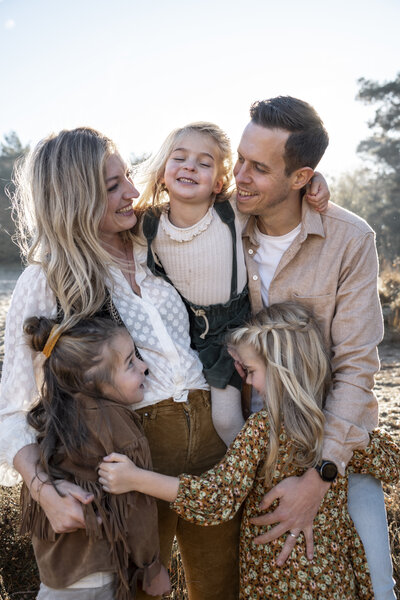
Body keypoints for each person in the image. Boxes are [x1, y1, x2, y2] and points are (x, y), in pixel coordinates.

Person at [0, 127, 238, 600]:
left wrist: (311, 191)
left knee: (222, 586)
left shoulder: (157, 240)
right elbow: (13, 409)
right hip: (133, 460)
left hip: (213, 443)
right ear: (74, 198)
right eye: (112, 186)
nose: (132, 191)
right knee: (144, 588)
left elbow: (231, 206)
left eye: (128, 175)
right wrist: (45, 491)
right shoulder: (48, 278)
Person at [98, 303, 400, 599]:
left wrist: (135, 478)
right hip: (333, 584)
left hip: (272, 582)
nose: (248, 379)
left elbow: (216, 497)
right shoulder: (337, 434)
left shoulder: (262, 430)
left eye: (252, 370)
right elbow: (390, 461)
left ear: (282, 371)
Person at [233, 96, 396, 598]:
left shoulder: (349, 238)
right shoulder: (216, 225)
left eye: (259, 168)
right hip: (240, 442)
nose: (239, 175)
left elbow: (355, 366)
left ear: (302, 177)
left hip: (332, 441)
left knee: (375, 584)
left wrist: (320, 477)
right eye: (239, 158)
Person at [135, 121, 330, 446]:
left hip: (241, 324)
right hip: (195, 333)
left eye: (204, 163)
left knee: (263, 406)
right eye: (179, 158)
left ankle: (286, 461)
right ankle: (244, 471)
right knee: (221, 418)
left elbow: (281, 185)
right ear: (162, 173)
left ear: (218, 182)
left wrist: (318, 181)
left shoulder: (231, 209)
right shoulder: (148, 224)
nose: (190, 167)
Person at [20, 316, 170, 599]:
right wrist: (151, 567)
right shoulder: (116, 425)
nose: (144, 366)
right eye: (130, 363)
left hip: (56, 575)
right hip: (99, 576)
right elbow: (137, 507)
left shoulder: (52, 415)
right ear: (91, 380)